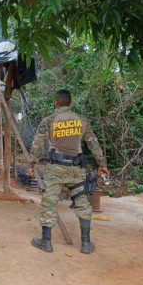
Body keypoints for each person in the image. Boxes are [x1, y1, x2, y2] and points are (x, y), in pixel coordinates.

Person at [28, 89, 110, 254]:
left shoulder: (49, 120)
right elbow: (93, 143)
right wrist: (102, 164)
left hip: (55, 169)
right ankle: (86, 243)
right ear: (69, 102)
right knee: (82, 202)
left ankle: (46, 242)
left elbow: (37, 144)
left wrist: (31, 164)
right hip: (76, 169)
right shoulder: (81, 120)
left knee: (49, 202)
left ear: (55, 102)